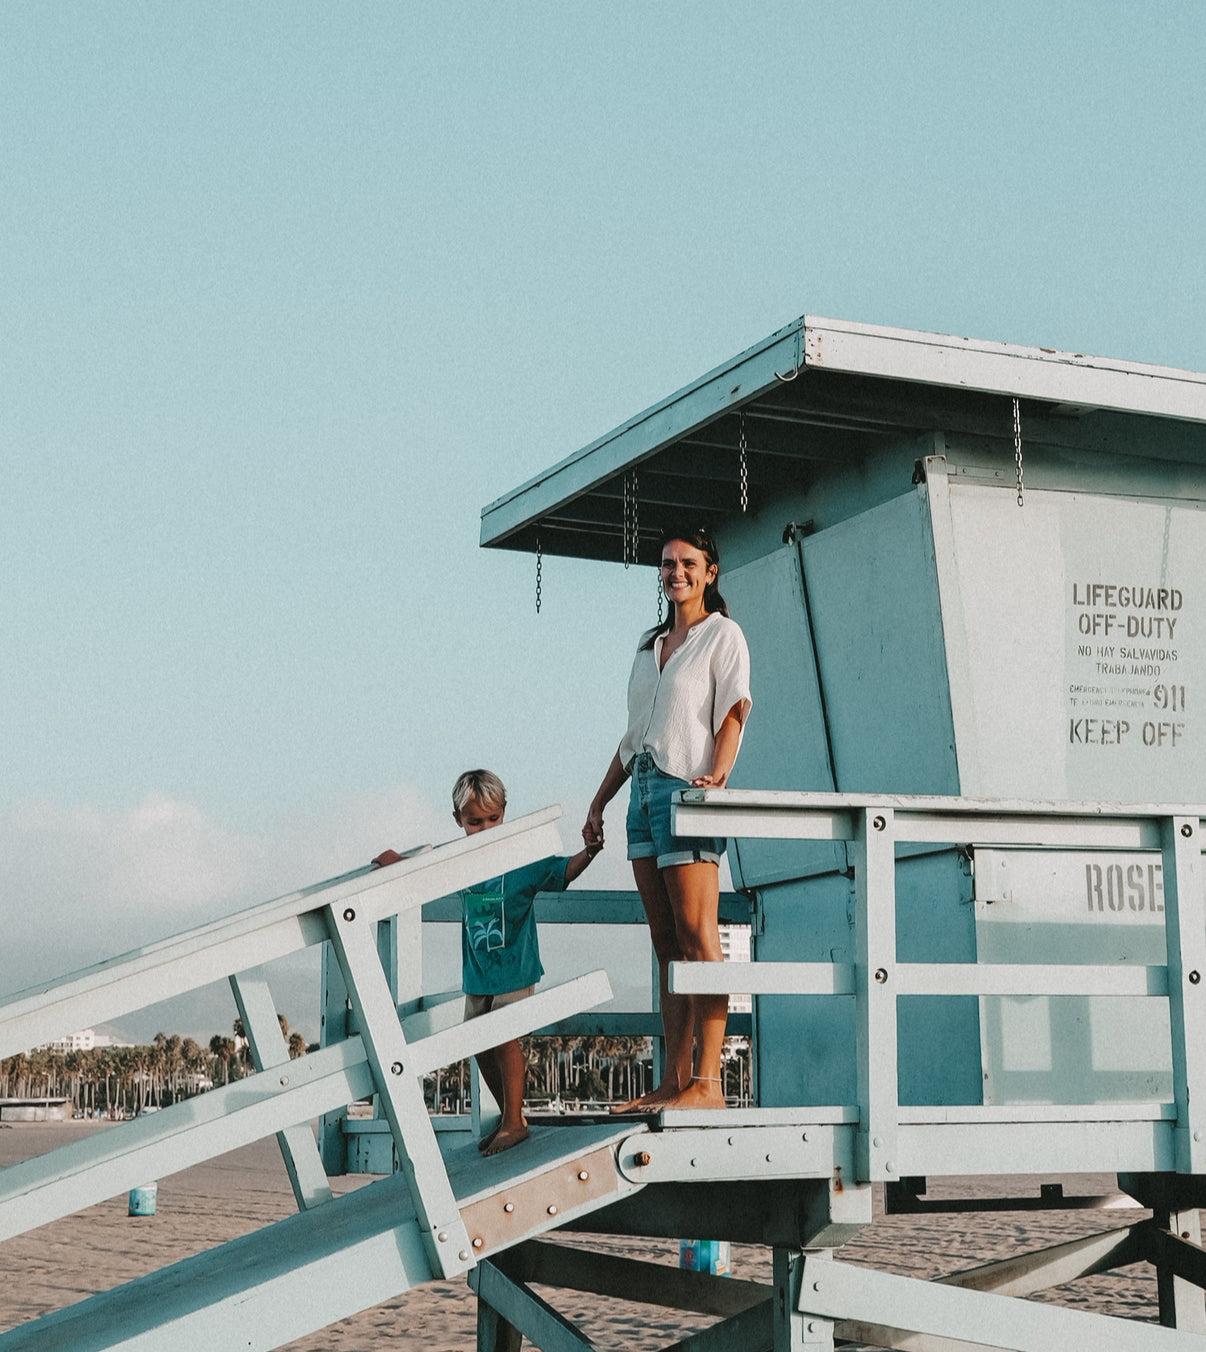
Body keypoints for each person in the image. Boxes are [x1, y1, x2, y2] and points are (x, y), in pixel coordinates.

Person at [583, 527, 751, 1113]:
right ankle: (672, 1080)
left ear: (709, 572)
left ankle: (708, 1086)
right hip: (642, 790)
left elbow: (733, 709)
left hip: (686, 788)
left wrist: (719, 776)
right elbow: (634, 737)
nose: (675, 572)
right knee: (666, 945)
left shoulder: (721, 636)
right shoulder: (648, 645)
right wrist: (599, 801)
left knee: (701, 939)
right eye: (666, 564)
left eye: (687, 563)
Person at [374, 769, 599, 1155]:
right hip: (478, 974)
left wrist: (590, 851)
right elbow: (424, 869)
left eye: (492, 819)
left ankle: (514, 1121)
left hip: (514, 968)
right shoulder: (459, 861)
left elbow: (560, 872)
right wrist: (396, 860)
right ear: (458, 820)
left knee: (504, 1037)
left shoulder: (518, 857)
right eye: (474, 821)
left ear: (504, 813)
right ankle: (511, 1117)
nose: (485, 828)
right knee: (479, 1044)